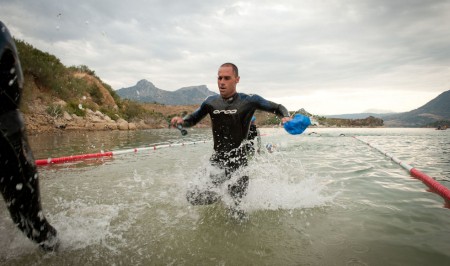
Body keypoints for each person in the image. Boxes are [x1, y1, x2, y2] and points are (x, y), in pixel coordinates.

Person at [171, 62, 291, 216]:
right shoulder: (210, 102)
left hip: (239, 163)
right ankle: (222, 194)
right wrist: (182, 122)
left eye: (227, 78)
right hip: (217, 160)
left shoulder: (249, 100)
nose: (222, 82)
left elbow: (277, 107)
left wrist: (285, 117)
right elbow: (193, 119)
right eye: (219, 78)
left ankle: (233, 205)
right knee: (193, 197)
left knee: (236, 213)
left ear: (237, 79)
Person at [0, 21, 59, 251]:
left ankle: (53, 248)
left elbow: (11, 91)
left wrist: (183, 120)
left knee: (34, 225)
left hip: (6, 129)